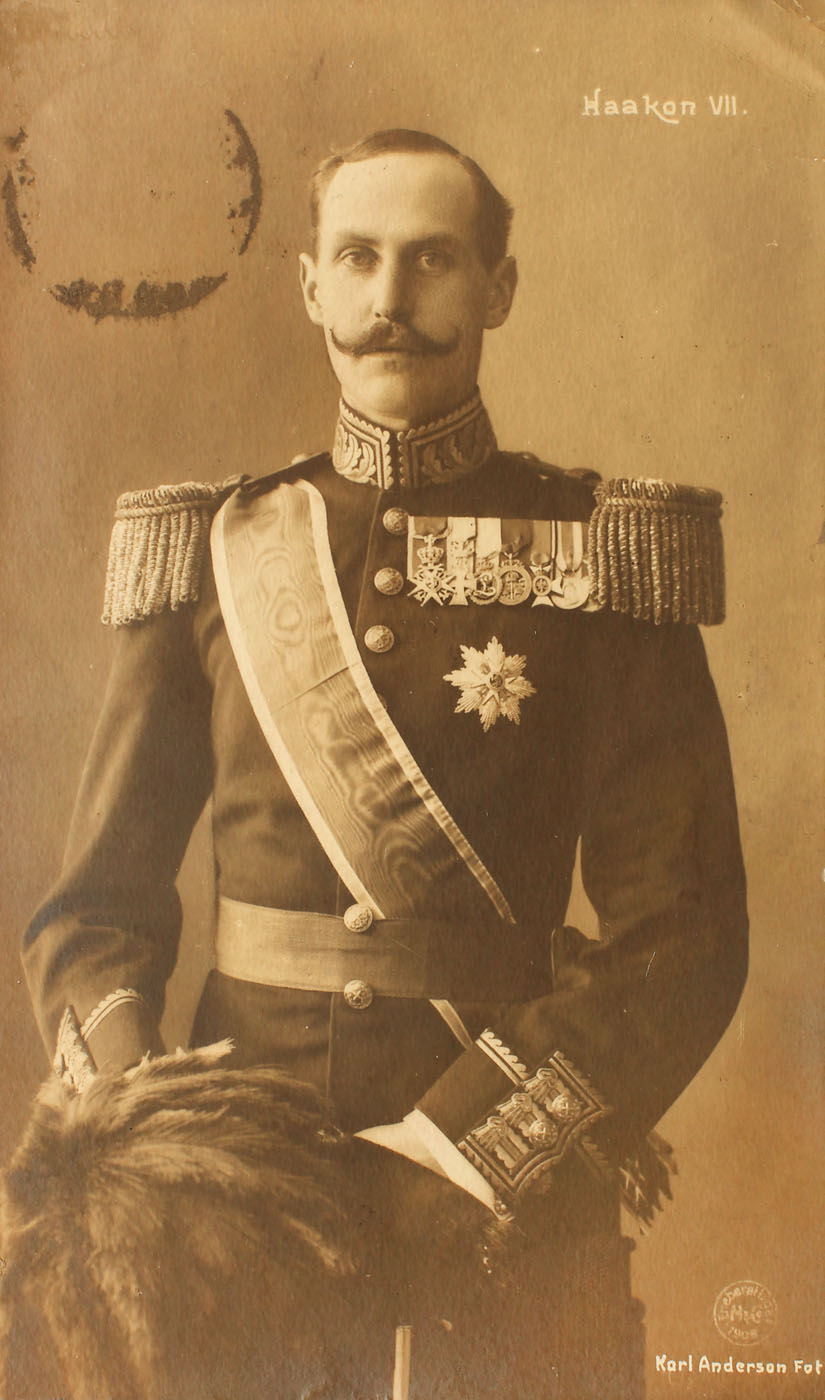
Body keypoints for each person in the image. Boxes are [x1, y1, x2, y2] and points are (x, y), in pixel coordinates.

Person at [4, 129, 748, 1400]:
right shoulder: (213, 551)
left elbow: (683, 935)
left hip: (503, 1210)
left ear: (498, 289)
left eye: (432, 260)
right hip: (229, 1229)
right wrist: (153, 1143)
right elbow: (92, 915)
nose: (389, 299)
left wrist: (465, 1154)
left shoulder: (606, 561)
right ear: (311, 286)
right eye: (357, 258)